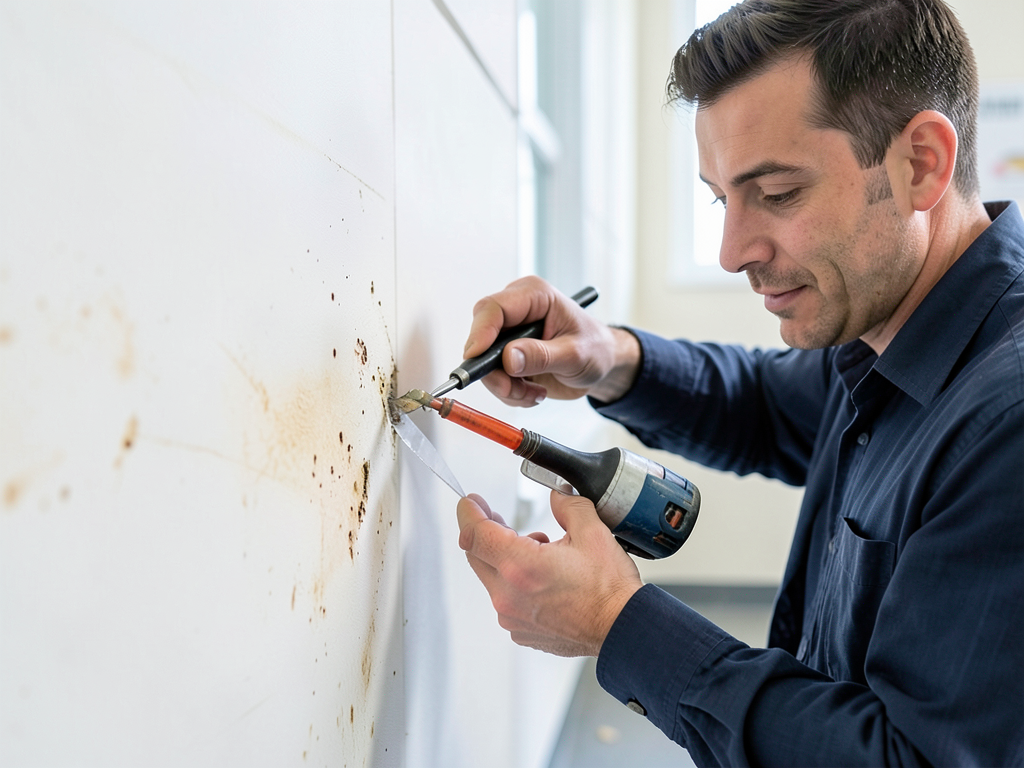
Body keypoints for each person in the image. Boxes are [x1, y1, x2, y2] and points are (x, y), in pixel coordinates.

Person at [453, 0, 1024, 765]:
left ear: (920, 162)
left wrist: (617, 623)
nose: (731, 251)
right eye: (722, 199)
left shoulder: (1007, 422)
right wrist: (608, 357)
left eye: (779, 193)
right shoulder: (891, 331)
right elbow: (765, 405)